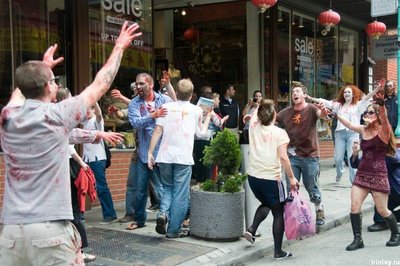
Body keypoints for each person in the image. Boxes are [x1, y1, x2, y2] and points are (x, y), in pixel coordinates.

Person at [0, 22, 141, 265]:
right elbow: (101, 84)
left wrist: (42, 67)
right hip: (49, 230)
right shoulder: (57, 115)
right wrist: (119, 46)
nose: (56, 84)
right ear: (48, 87)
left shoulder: (8, 116)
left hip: (10, 233)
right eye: (53, 80)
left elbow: (21, 89)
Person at [336, 88, 400, 250]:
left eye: (371, 113)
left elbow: (385, 121)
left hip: (379, 175)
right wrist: (335, 115)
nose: (367, 115)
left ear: (377, 116)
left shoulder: (383, 131)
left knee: (383, 210)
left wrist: (382, 106)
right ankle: (358, 240)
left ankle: (396, 234)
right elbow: (350, 124)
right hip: (362, 174)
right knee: (354, 207)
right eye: (367, 113)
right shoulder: (364, 130)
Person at [147, 78, 211, 238]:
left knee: (167, 188)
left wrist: (150, 153)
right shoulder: (196, 111)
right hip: (183, 157)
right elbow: (201, 134)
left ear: (177, 91)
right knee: (180, 195)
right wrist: (208, 116)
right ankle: (173, 230)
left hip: (164, 156)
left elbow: (157, 131)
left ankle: (163, 213)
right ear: (191, 94)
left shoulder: (165, 107)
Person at [244, 99, 299, 259]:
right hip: (271, 179)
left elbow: (254, 114)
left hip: (253, 177)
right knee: (278, 212)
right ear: (275, 115)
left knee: (267, 203)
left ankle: (252, 229)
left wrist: (258, 104)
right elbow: (283, 157)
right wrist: (292, 178)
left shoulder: (253, 126)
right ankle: (278, 251)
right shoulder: (279, 133)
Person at [276, 84, 329, 226]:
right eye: (293, 92)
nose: (295, 94)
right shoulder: (286, 112)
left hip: (310, 155)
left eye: (298, 91)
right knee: (291, 187)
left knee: (311, 185)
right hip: (292, 156)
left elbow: (322, 115)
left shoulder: (311, 109)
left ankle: (319, 209)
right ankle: (293, 216)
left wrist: (323, 112)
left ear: (304, 95)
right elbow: (271, 119)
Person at [126, 72, 173, 230]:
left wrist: (168, 85)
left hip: (163, 152)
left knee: (164, 188)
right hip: (144, 154)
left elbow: (175, 105)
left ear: (151, 85)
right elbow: (135, 122)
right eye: (136, 84)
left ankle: (169, 217)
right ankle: (139, 220)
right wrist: (152, 115)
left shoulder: (163, 100)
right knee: (140, 190)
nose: (138, 87)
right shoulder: (134, 103)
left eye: (141, 84)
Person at [307, 84, 380, 183]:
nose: (346, 94)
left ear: (353, 94)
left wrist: (377, 88)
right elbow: (325, 102)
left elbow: (367, 98)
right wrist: (310, 98)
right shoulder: (338, 105)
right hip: (340, 134)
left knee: (351, 157)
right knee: (337, 158)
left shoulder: (358, 105)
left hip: (353, 133)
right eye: (345, 92)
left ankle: (354, 181)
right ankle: (340, 171)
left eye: (349, 92)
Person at [349, 140, 400, 232]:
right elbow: (356, 164)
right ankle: (389, 219)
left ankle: (394, 229)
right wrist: (355, 153)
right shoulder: (372, 155)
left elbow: (395, 158)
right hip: (386, 191)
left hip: (396, 189)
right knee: (380, 215)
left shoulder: (391, 154)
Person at [241, 90, 264, 233]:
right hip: (246, 131)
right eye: (256, 96)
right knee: (246, 153)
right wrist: (249, 104)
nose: (257, 98)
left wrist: (258, 106)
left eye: (259, 96)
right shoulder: (251, 106)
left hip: (257, 132)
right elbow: (243, 115)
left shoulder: (263, 108)